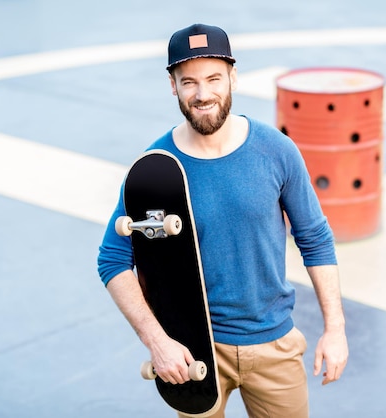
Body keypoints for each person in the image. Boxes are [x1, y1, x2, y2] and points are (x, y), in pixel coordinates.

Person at [97, 23, 348, 418]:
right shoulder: (155, 169)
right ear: (172, 85)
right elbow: (112, 260)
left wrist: (335, 330)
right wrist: (157, 341)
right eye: (189, 82)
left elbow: (315, 239)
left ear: (233, 75)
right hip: (194, 348)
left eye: (214, 78)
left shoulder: (276, 150)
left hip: (274, 345)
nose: (203, 94)